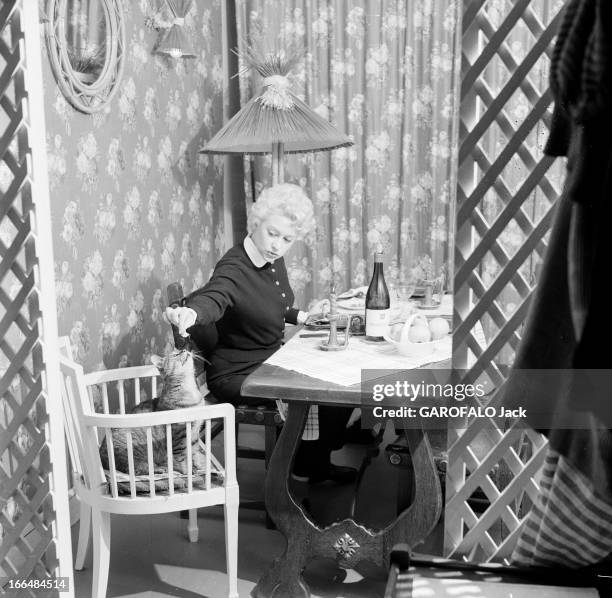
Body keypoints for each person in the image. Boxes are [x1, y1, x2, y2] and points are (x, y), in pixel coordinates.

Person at [166, 183, 356, 484]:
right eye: (272, 233)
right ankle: (298, 472)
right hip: (237, 373)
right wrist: (193, 312)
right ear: (256, 223)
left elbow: (274, 304)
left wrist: (304, 317)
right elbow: (216, 295)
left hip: (268, 359)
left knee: (340, 381)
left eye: (287, 239)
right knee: (320, 391)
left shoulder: (271, 259)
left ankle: (312, 461)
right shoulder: (235, 266)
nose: (277, 245)